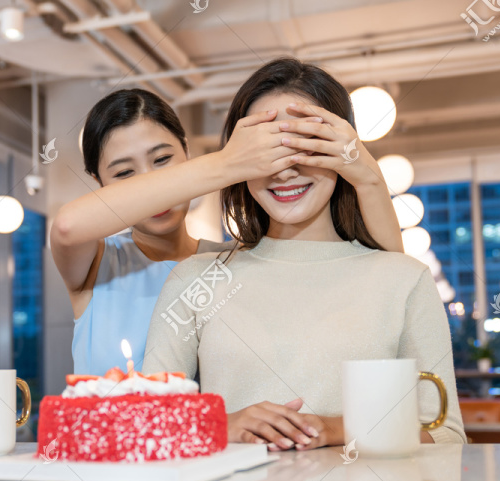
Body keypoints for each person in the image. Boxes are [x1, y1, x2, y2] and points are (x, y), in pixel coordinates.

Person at [142, 58, 464, 449]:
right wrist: (221, 425)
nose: (283, 172)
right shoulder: (194, 278)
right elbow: (147, 426)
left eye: (304, 146)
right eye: (264, 151)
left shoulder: (404, 278)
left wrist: (335, 429)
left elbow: (444, 435)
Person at [50, 88, 404, 375]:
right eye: (125, 173)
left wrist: (368, 174)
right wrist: (230, 162)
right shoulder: (97, 264)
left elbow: (390, 278)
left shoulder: (234, 263)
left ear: (187, 153)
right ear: (99, 183)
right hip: (101, 462)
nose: (152, 187)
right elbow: (66, 227)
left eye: (162, 161)